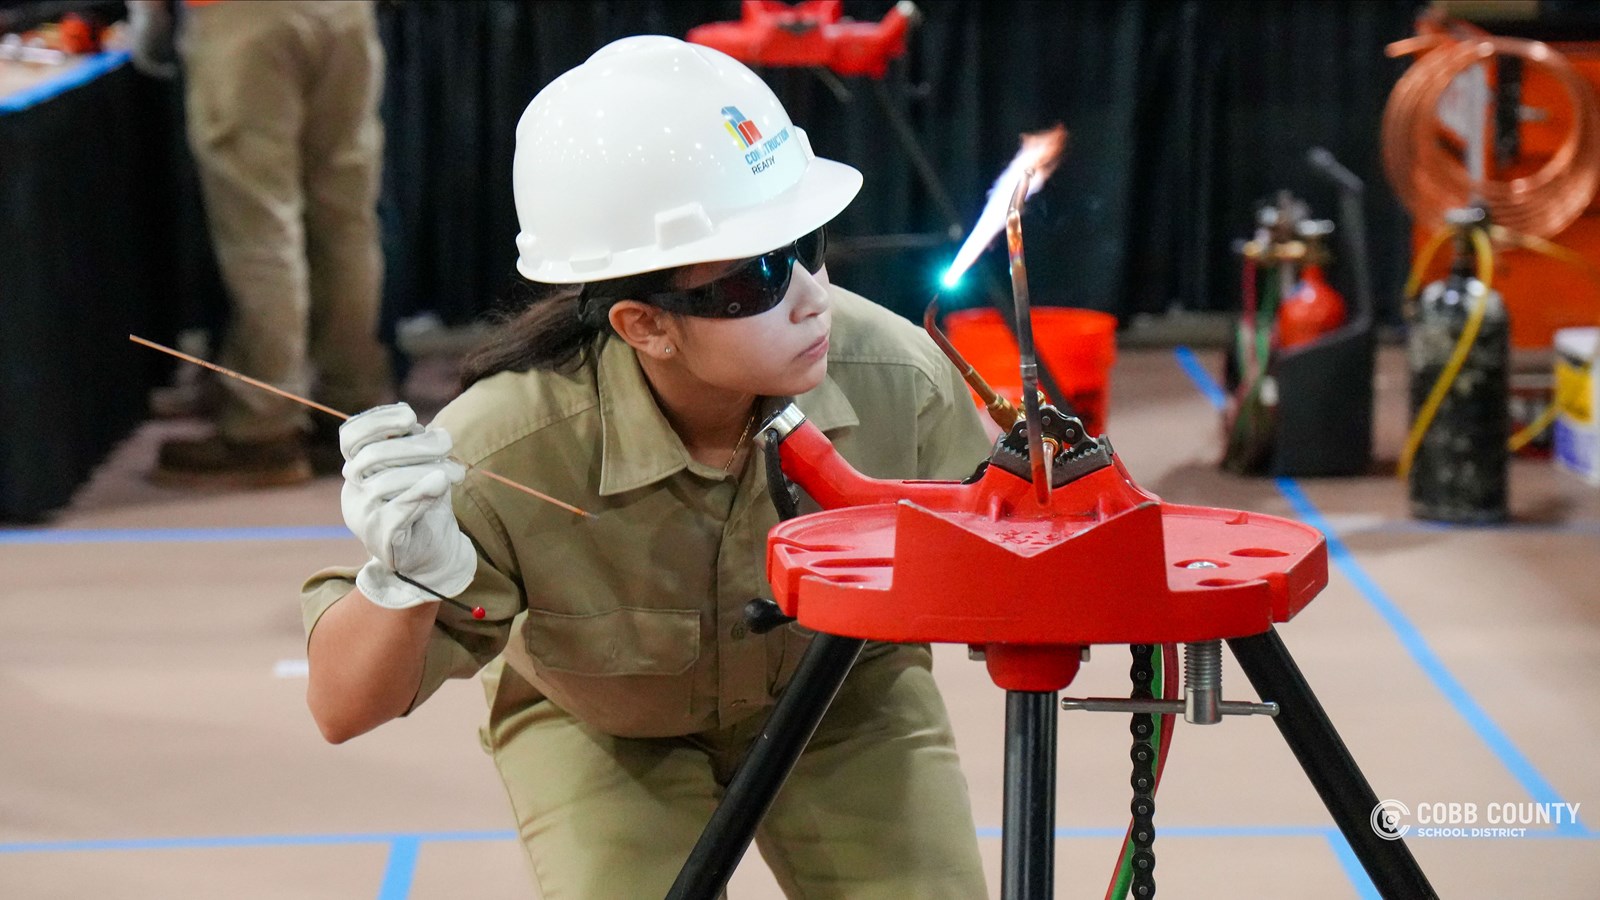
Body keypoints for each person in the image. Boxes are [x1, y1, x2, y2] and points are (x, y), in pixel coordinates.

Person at [300, 35, 992, 898]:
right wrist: (402, 583)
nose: (814, 297)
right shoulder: (508, 446)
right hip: (606, 728)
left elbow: (1005, 590)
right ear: (644, 325)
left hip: (840, 701)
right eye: (759, 277)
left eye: (810, 244)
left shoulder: (900, 380)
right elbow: (342, 709)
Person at [130, 0, 394, 486]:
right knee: (346, 219)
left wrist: (149, 20)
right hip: (343, 13)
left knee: (261, 226)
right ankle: (351, 406)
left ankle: (264, 425)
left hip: (244, 18)